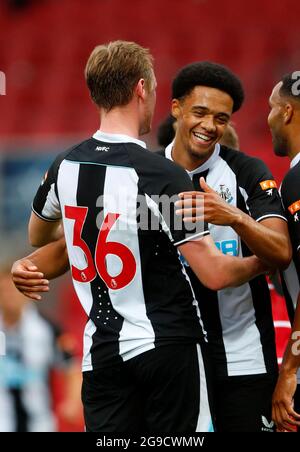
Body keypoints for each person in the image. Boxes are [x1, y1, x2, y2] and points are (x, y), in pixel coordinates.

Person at [11, 41, 268, 433]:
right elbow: (213, 274)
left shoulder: (66, 165)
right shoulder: (158, 174)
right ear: (142, 89)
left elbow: (38, 233)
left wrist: (27, 263)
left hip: (102, 354)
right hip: (166, 347)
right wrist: (263, 260)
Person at [167, 61, 291, 432]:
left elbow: (281, 250)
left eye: (221, 118)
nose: (209, 126)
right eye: (200, 112)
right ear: (177, 108)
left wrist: (235, 217)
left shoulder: (248, 172)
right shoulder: (149, 174)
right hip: (175, 362)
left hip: (244, 361)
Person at [0, 265, 82, 432]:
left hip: (40, 423)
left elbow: (71, 366)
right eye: (4, 290)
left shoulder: (46, 328)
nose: (9, 296)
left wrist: (72, 401)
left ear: (27, 293)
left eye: (15, 290)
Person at [268, 72, 300, 432]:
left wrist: (289, 369)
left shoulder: (296, 181)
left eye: (271, 109)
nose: (269, 119)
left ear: (288, 113)